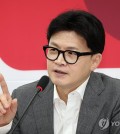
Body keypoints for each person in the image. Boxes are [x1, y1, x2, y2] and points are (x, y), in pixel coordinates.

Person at [0, 9, 120, 134]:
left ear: (94, 61)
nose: (59, 60)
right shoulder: (23, 98)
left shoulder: (116, 96)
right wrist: (4, 126)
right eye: (53, 50)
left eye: (71, 53)